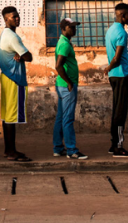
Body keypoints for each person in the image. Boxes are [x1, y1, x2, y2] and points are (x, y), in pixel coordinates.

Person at [0, 6, 33, 162]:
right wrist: (23, 54)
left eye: (18, 16)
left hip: (7, 77)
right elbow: (28, 56)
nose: (17, 19)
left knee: (8, 116)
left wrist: (21, 54)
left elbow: (22, 55)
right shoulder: (12, 37)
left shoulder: (7, 34)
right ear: (6, 19)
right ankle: (11, 151)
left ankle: (8, 150)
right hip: (14, 79)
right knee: (12, 116)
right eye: (13, 17)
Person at [53, 18, 87, 159]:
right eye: (71, 27)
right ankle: (71, 150)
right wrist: (69, 82)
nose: (74, 30)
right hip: (67, 86)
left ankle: (58, 148)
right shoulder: (64, 45)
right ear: (64, 28)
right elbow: (58, 65)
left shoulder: (64, 42)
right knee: (67, 118)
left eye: (75, 27)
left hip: (63, 85)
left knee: (61, 118)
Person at [105, 3, 128, 158]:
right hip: (121, 75)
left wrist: (110, 69)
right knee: (120, 111)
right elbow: (117, 58)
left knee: (116, 109)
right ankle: (118, 146)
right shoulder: (122, 33)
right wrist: (109, 67)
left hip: (115, 77)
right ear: (123, 16)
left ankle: (113, 144)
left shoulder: (110, 30)